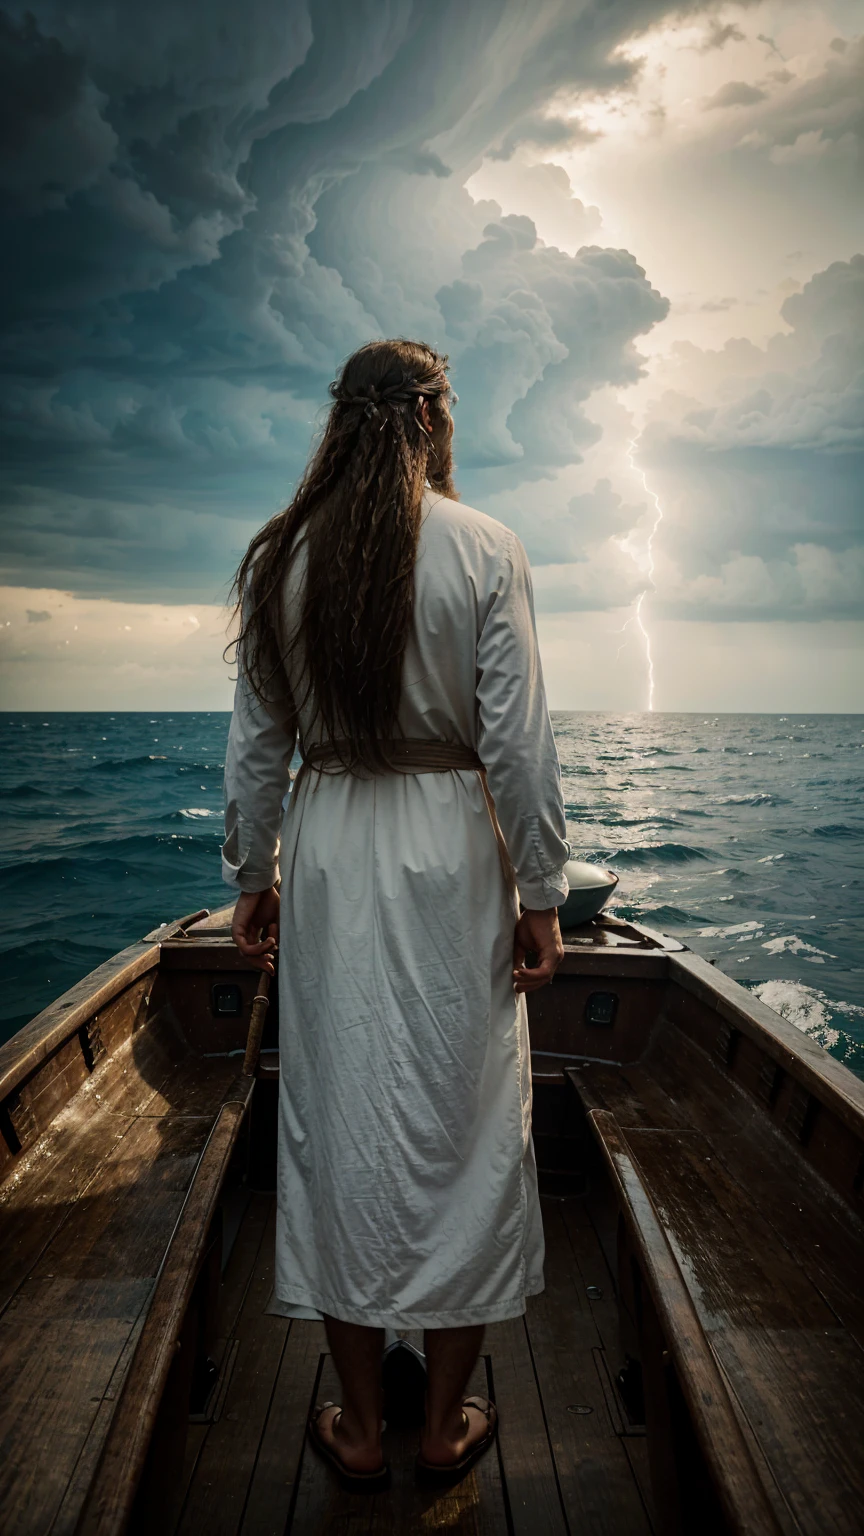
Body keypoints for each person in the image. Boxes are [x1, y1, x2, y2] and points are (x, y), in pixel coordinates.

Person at [222, 338, 570, 1491]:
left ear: (343, 420)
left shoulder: (282, 557)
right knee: (467, 1123)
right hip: (448, 855)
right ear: (431, 416)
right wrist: (542, 894)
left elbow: (257, 746)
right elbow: (518, 745)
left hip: (329, 848)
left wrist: (251, 875)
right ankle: (441, 1424)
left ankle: (364, 1428)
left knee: (340, 1120)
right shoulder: (485, 548)